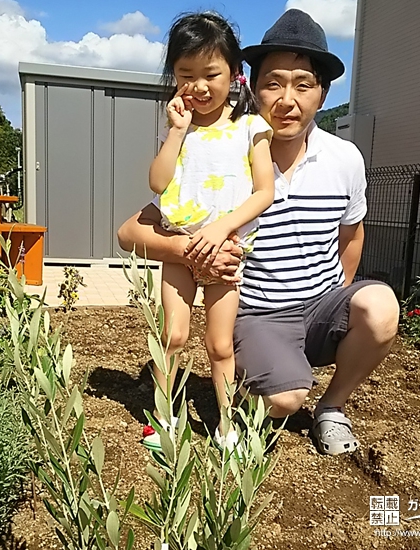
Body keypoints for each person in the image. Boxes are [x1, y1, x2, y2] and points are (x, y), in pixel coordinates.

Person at [118, 9, 400, 456]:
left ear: (323, 95)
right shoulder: (225, 150)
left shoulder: (345, 159)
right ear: (251, 83)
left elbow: (352, 235)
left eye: (303, 84)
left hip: (320, 304)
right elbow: (132, 230)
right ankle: (267, 377)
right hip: (257, 314)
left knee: (380, 304)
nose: (287, 99)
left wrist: (338, 297)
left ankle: (332, 407)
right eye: (274, 82)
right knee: (284, 397)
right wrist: (190, 249)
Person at [141, 11, 274, 453]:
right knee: (172, 336)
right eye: (185, 75)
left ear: (234, 74)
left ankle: (226, 424)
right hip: (180, 248)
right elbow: (157, 183)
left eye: (210, 74)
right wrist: (175, 132)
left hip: (226, 251)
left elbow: (264, 193)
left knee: (219, 344)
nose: (198, 86)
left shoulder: (251, 127)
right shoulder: (179, 130)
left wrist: (221, 228)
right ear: (173, 76)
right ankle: (163, 417)